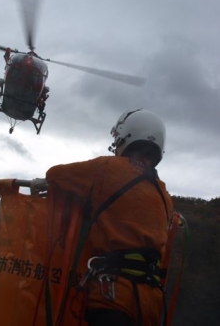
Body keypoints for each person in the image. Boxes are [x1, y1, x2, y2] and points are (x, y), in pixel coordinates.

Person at [46, 109, 173, 326]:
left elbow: (55, 175)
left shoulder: (106, 169)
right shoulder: (165, 195)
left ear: (125, 137)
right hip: (152, 302)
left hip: (114, 294)